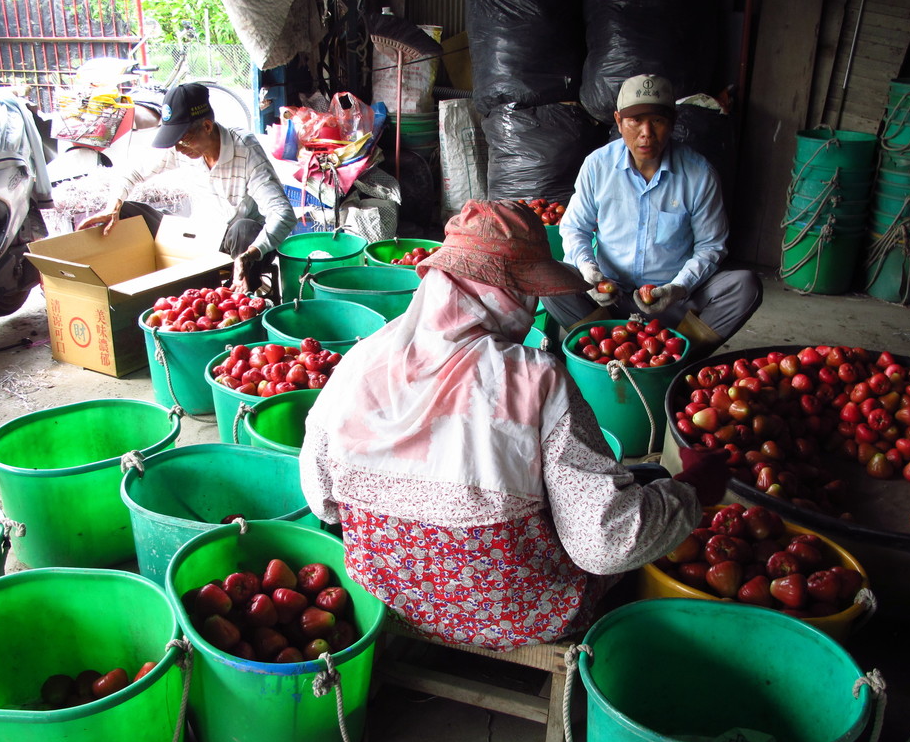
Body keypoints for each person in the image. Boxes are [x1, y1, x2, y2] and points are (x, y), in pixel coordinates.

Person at [299, 200, 729, 651]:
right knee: (646, 492)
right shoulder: (535, 378)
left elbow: (323, 501)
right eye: (528, 290)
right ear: (510, 293)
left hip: (386, 590)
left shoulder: (361, 360)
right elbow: (603, 543)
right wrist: (691, 491)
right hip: (516, 610)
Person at [542, 73, 762, 357]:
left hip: (672, 303)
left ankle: (673, 359)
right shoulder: (597, 166)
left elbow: (711, 246)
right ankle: (608, 350)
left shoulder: (699, 174)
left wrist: (678, 288)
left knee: (745, 286)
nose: (646, 132)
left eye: (657, 120)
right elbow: (574, 228)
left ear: (672, 122)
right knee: (547, 278)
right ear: (619, 121)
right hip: (608, 299)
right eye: (635, 121)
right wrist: (590, 273)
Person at [77, 82, 296, 293]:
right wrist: (112, 208)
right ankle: (130, 287)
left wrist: (253, 252)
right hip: (199, 237)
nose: (178, 148)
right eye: (174, 141)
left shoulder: (245, 148)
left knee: (244, 228)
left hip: (239, 245)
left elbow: (282, 213)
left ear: (207, 127)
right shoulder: (178, 147)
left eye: (184, 140)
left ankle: (236, 292)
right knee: (126, 211)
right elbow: (131, 172)